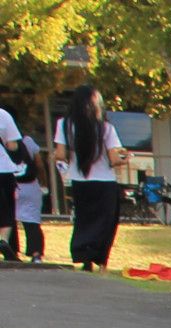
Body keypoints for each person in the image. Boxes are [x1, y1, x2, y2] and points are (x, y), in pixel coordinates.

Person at [53, 86, 128, 272]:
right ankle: (102, 262)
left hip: (80, 181)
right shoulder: (105, 128)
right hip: (104, 182)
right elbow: (114, 159)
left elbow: (60, 154)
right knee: (105, 223)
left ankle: (84, 257)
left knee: (84, 219)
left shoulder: (64, 124)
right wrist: (125, 158)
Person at [6, 119, 44, 263]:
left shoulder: (3, 143)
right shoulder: (28, 141)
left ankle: (11, 251)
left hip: (10, 185)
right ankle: (36, 253)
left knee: (8, 220)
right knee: (32, 220)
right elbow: (39, 164)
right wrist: (43, 182)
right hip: (30, 185)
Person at [0, 104, 24, 262]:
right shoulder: (3, 114)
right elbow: (12, 145)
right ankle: (3, 240)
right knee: (6, 210)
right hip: (2, 169)